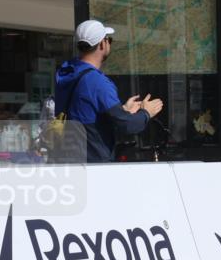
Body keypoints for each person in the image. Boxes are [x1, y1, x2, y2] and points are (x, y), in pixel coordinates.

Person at [53, 20, 163, 163]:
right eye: (109, 40)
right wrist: (146, 113)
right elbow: (127, 125)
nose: (109, 43)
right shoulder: (96, 82)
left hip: (70, 162)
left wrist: (121, 109)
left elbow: (84, 112)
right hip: (94, 166)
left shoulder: (68, 72)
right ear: (102, 44)